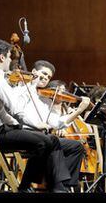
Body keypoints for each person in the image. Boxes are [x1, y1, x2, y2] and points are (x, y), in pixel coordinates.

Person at [0, 39, 69, 192]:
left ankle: (50, 186)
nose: (11, 61)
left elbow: (4, 111)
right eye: (10, 57)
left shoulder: (1, 77)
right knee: (44, 142)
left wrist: (18, 125)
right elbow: (15, 109)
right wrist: (35, 125)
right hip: (0, 134)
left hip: (6, 127)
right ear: (2, 58)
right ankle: (26, 187)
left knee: (50, 140)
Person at [14, 60, 90, 192]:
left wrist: (78, 111)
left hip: (41, 137)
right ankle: (57, 187)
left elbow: (57, 123)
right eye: (43, 74)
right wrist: (31, 84)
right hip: (22, 133)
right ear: (33, 72)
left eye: (48, 77)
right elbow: (16, 114)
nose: (45, 78)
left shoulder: (45, 100)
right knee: (51, 140)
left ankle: (65, 185)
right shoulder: (20, 91)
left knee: (76, 146)